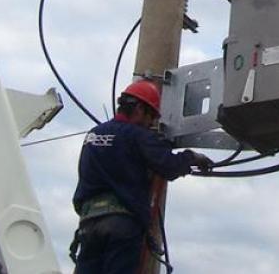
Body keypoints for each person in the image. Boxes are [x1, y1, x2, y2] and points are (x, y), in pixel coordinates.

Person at [71, 79, 213, 274]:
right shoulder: (137, 135)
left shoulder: (93, 135)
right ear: (139, 109)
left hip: (88, 225)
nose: (151, 124)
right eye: (151, 117)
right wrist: (193, 157)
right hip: (121, 224)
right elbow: (168, 166)